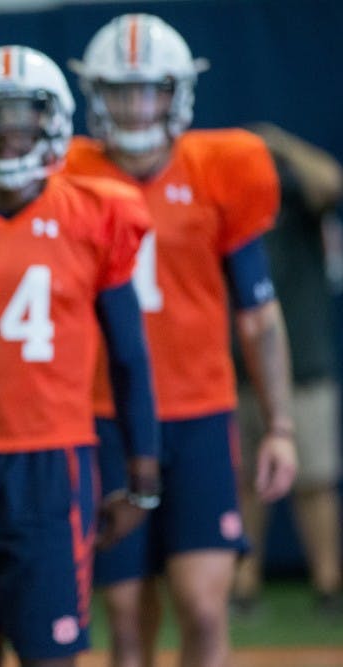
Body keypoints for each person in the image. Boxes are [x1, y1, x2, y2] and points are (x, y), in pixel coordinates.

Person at [0, 45, 159, 667]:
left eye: (24, 121)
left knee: (51, 651)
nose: (10, 136)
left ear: (55, 124)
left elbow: (128, 354)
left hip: (51, 462)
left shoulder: (97, 212)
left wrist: (142, 471)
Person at [65, 14, 298, 667]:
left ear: (177, 93)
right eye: (120, 90)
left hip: (198, 412)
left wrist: (279, 424)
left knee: (201, 604)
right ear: (96, 95)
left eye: (150, 90)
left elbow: (258, 311)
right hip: (105, 413)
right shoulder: (66, 171)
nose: (136, 106)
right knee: (124, 616)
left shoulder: (225, 166)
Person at [232, 122, 343, 616]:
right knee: (245, 483)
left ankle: (327, 584)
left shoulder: (295, 200)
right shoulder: (231, 212)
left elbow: (331, 182)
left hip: (305, 365)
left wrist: (280, 142)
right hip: (238, 369)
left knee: (313, 480)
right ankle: (244, 586)